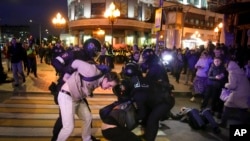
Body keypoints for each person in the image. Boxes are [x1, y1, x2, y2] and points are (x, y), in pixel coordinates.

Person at [50, 38, 101, 141]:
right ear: (90, 47)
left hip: (78, 90)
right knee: (64, 119)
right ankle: (55, 138)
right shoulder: (74, 53)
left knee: (87, 116)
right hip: (65, 87)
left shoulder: (90, 59)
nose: (96, 53)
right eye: (96, 50)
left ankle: (87, 137)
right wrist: (67, 71)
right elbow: (55, 61)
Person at [56, 60, 120, 141]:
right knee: (68, 127)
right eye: (110, 85)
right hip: (67, 96)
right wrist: (67, 74)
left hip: (78, 99)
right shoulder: (92, 71)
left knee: (87, 118)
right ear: (106, 79)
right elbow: (76, 62)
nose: (109, 88)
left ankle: (87, 139)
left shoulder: (100, 79)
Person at [219, 60, 250, 127]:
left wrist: (226, 85)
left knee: (227, 106)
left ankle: (223, 123)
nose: (225, 67)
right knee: (242, 109)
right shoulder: (239, 71)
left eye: (225, 65)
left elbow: (233, 86)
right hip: (245, 92)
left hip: (238, 93)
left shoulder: (232, 72)